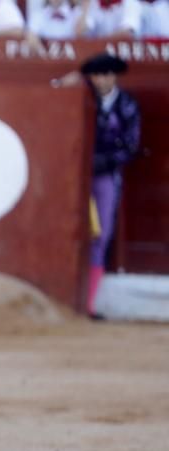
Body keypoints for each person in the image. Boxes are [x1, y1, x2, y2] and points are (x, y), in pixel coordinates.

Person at [79, 53, 141, 317]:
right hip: (76, 177)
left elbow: (131, 146)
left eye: (106, 74)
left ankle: (89, 304)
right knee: (71, 233)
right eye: (96, 74)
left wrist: (101, 162)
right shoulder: (80, 98)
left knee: (100, 235)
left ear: (114, 76)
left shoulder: (127, 105)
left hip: (106, 176)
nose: (101, 80)